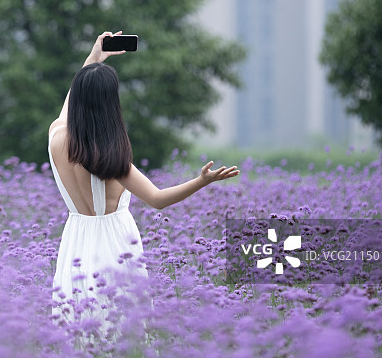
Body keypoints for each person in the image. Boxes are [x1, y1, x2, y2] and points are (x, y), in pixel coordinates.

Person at [48, 31, 240, 331]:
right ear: (110, 104)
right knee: (121, 326)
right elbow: (157, 199)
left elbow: (71, 104)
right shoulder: (109, 158)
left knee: (78, 318)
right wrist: (201, 181)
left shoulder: (56, 135)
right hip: (114, 245)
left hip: (75, 241)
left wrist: (94, 58)